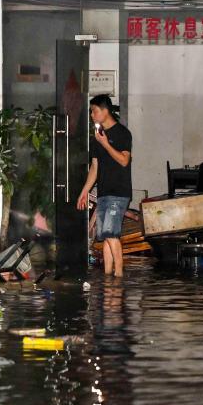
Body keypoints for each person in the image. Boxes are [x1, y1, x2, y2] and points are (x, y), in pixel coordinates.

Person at [77, 95, 132, 278]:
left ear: (105, 110)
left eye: (94, 111)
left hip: (119, 192)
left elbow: (124, 161)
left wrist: (106, 144)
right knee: (105, 236)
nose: (92, 115)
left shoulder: (122, 133)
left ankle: (119, 277)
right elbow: (95, 167)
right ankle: (109, 277)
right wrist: (84, 192)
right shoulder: (97, 139)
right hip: (104, 192)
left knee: (111, 233)